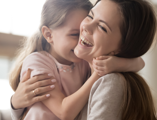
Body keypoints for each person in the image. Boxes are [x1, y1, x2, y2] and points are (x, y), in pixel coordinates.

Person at [9, 0, 146, 120]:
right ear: (49, 35)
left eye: (101, 27)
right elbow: (64, 112)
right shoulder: (37, 63)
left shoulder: (81, 61)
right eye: (75, 34)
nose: (82, 36)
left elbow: (140, 62)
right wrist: (98, 73)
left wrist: (116, 63)